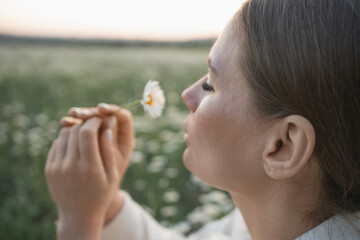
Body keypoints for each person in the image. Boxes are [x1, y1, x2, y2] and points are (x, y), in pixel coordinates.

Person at [45, 0, 360, 239]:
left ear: (282, 146)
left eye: (211, 83)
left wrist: (78, 223)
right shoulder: (258, 224)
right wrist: (107, 203)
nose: (187, 94)